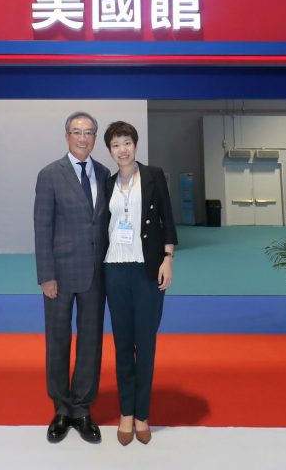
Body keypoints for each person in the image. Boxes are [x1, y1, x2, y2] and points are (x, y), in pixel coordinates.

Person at [33, 111, 110, 444]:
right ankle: (61, 409)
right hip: (60, 276)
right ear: (67, 136)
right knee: (58, 341)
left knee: (91, 343)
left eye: (89, 132)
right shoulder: (49, 174)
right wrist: (46, 275)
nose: (83, 137)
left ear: (95, 138)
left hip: (95, 274)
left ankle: (82, 408)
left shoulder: (104, 174)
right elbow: (42, 228)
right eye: (77, 132)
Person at [99, 120, 177, 446]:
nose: (122, 149)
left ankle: (142, 414)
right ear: (110, 150)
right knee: (122, 344)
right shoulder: (106, 183)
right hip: (114, 270)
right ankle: (126, 413)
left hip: (147, 270)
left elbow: (167, 219)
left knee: (145, 344)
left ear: (135, 144)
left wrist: (168, 258)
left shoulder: (154, 175)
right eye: (116, 144)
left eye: (127, 142)